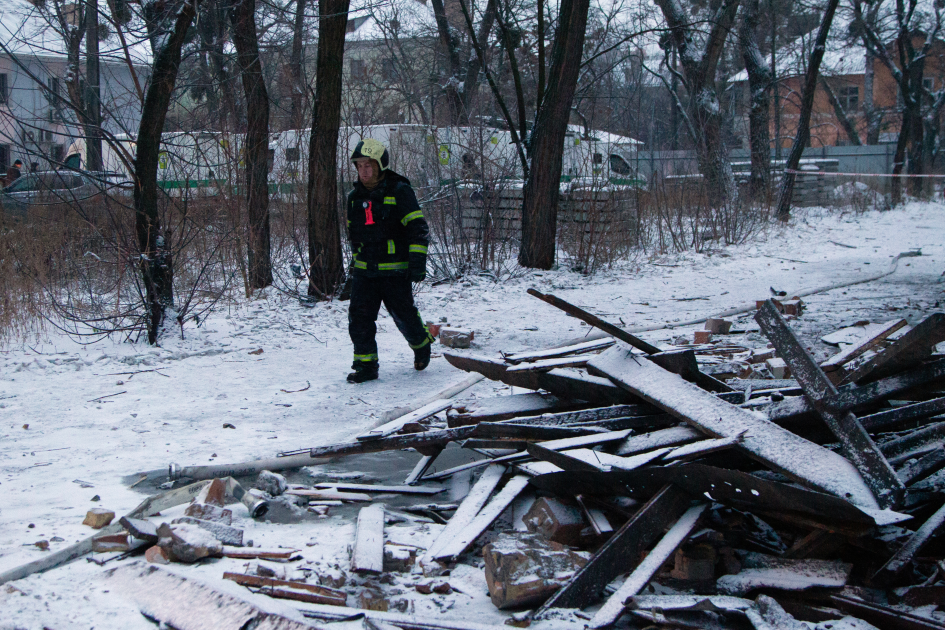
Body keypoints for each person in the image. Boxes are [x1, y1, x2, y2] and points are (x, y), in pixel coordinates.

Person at [345, 138, 434, 384]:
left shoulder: (400, 191)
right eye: (359, 166)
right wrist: (354, 267)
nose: (363, 171)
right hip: (365, 272)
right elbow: (354, 235)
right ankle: (366, 366)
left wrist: (417, 263)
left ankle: (421, 344)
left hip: (395, 271)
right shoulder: (354, 197)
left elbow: (418, 229)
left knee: (403, 315)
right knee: (359, 318)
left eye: (368, 166)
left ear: (380, 165)